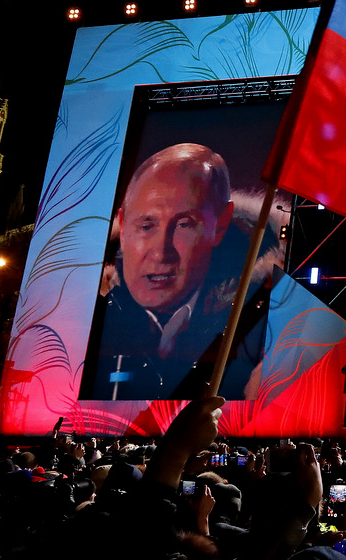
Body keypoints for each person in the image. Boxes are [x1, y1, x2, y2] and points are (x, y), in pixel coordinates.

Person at [90, 143, 275, 401]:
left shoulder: (266, 319)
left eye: (184, 224)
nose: (160, 252)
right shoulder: (86, 316)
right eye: (146, 225)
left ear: (220, 225)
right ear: (122, 224)